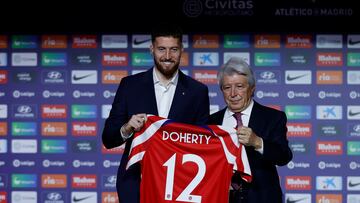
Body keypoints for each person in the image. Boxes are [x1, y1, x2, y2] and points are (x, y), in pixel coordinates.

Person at [101, 23, 210, 203]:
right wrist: (127, 127)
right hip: (136, 183)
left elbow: (203, 143)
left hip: (180, 185)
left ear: (181, 49)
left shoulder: (197, 91)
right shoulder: (129, 86)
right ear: (151, 49)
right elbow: (108, 138)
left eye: (173, 49)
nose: (167, 56)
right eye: (161, 49)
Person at [207, 57, 293, 203]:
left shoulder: (273, 117)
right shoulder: (210, 122)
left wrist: (257, 142)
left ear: (252, 88)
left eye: (240, 86)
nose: (233, 93)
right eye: (227, 87)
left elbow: (284, 156)